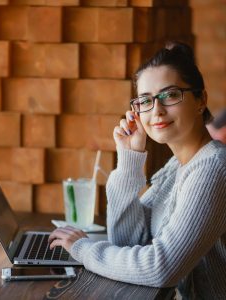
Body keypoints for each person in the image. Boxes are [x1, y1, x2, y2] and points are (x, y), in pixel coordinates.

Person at [49, 42, 226, 299]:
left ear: (201, 99)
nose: (156, 110)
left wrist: (83, 249)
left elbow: (161, 267)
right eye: (145, 100)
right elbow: (127, 241)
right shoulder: (177, 166)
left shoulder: (213, 168)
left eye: (170, 95)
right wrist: (129, 158)